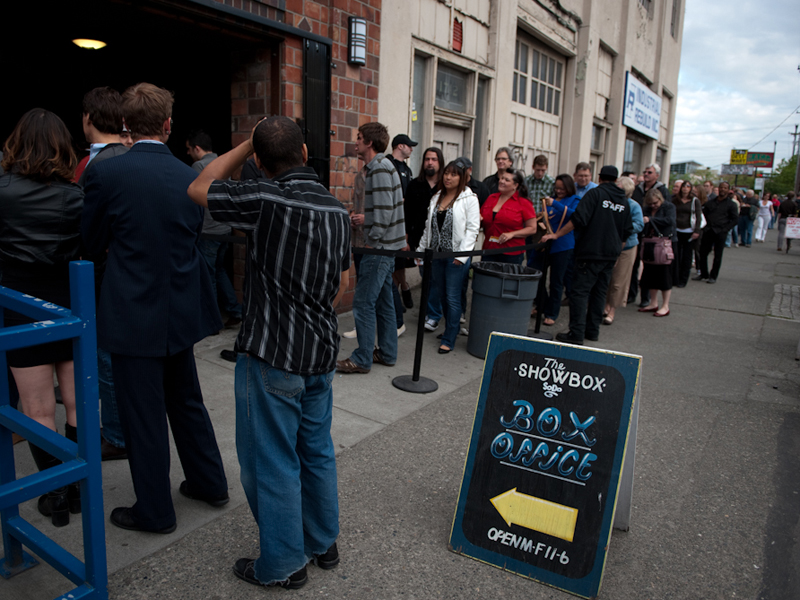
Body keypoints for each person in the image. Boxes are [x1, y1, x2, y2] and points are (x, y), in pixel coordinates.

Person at [187, 116, 350, 590]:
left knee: (271, 460)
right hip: (320, 350)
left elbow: (200, 185)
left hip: (273, 351)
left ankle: (282, 564)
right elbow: (343, 282)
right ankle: (322, 542)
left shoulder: (262, 199)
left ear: (259, 160)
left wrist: (245, 145)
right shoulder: (337, 210)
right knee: (316, 452)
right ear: (304, 154)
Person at [82, 82, 228, 534]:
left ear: (125, 125)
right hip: (179, 307)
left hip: (132, 310)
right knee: (186, 401)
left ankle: (155, 511)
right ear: (168, 125)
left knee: (142, 413)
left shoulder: (106, 175)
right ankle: (210, 483)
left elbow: (89, 244)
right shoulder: (190, 177)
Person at [0, 108, 83, 526]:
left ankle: (55, 495)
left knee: (36, 409)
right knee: (76, 402)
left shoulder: (2, 189)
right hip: (67, 304)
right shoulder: (74, 195)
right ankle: (78, 488)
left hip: (18, 307)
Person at [77, 86, 130, 462]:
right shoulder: (130, 155)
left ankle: (115, 433)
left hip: (105, 279)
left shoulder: (98, 167)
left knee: (107, 358)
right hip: (131, 280)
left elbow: (90, 237)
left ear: (88, 119)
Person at [336, 122, 405, 374]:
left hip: (378, 248)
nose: (355, 142)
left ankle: (362, 358)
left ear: (370, 143)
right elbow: (381, 210)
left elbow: (384, 213)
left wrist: (370, 241)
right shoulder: (378, 168)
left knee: (363, 302)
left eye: (359, 137)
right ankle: (386, 353)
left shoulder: (379, 168)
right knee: (384, 302)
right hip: (382, 247)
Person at [542, 165, 632, 346]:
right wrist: (616, 254)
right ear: (616, 179)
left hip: (591, 252)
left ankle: (576, 333)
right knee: (599, 292)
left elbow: (578, 219)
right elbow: (626, 232)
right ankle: (592, 330)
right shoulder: (623, 201)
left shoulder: (595, 194)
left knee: (579, 293)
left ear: (599, 178)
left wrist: (557, 234)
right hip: (610, 254)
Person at [416, 161, 480, 353]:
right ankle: (448, 329)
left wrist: (462, 256)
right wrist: (421, 250)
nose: (448, 177)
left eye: (454, 174)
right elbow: (429, 227)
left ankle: (450, 337)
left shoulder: (469, 198)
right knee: (442, 294)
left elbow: (472, 229)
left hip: (455, 257)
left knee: (452, 297)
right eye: (446, 174)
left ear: (461, 177)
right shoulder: (437, 196)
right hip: (436, 255)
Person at [187, 129, 243, 328]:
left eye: (189, 149)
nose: (188, 153)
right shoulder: (223, 164)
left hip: (209, 230)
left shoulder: (199, 166)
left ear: (197, 148)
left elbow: (192, 197)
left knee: (208, 275)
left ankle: (212, 320)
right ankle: (235, 310)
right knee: (219, 271)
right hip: (224, 229)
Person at [530, 174, 580, 326]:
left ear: (569, 187)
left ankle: (552, 312)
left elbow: (575, 215)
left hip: (562, 245)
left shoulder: (575, 200)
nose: (559, 191)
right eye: (557, 188)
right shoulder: (550, 200)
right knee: (535, 273)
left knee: (556, 281)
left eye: (562, 188)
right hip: (544, 242)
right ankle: (541, 304)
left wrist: (555, 204)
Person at [603, 176, 643, 325]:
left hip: (627, 247)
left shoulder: (633, 206)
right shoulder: (611, 204)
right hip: (609, 245)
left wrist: (623, 227)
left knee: (619, 281)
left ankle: (612, 310)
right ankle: (606, 305)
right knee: (607, 278)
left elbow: (639, 225)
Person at [630, 163, 671, 307]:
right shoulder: (637, 189)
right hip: (639, 234)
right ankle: (631, 294)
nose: (646, 174)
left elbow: (668, 218)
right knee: (634, 265)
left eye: (649, 172)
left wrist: (651, 220)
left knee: (649, 268)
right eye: (645, 172)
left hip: (655, 238)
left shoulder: (663, 191)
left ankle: (646, 298)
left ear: (656, 175)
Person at [387, 134, 418, 313]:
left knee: (402, 261)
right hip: (391, 223)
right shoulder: (388, 164)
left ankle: (400, 294)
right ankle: (400, 295)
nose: (411, 149)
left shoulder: (407, 169)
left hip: (405, 222)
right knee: (396, 263)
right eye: (409, 146)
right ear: (400, 146)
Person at [480, 169, 537, 264]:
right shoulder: (491, 198)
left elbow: (532, 228)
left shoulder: (524, 203)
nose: (502, 181)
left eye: (507, 180)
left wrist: (512, 234)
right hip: (489, 249)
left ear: (515, 185)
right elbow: (482, 219)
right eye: (501, 178)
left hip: (511, 253)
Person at [637, 189, 676, 317]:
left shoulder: (669, 207)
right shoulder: (646, 209)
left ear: (660, 199)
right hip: (649, 243)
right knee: (649, 274)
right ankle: (653, 302)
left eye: (655, 203)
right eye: (651, 204)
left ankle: (665, 305)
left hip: (664, 243)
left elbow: (670, 221)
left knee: (664, 275)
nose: (653, 205)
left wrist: (651, 220)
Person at [694, 181, 739, 283]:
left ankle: (713, 276)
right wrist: (704, 228)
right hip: (708, 230)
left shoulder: (731, 205)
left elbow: (735, 219)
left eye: (725, 188)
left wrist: (725, 229)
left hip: (721, 232)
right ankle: (704, 273)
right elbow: (703, 216)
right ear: (718, 188)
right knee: (702, 252)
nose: (723, 190)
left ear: (728, 190)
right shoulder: (710, 203)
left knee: (717, 255)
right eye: (721, 188)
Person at [672, 180, 703, 287]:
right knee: (676, 255)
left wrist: (697, 231)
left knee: (686, 256)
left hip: (689, 231)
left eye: (688, 186)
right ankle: (675, 278)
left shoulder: (695, 201)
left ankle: (683, 279)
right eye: (683, 186)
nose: (685, 188)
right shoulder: (675, 200)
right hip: (677, 230)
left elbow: (698, 217)